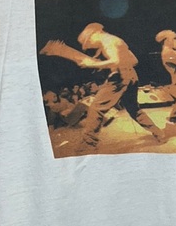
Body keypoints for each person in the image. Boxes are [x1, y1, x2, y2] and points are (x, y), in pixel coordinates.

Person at [41, 22, 163, 150]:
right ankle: (158, 133)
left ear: (95, 33)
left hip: (119, 78)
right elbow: (134, 60)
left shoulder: (107, 41)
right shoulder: (116, 41)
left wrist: (93, 64)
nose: (89, 46)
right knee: (134, 110)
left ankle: (88, 144)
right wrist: (106, 65)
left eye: (88, 42)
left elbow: (115, 60)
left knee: (95, 108)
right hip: (131, 76)